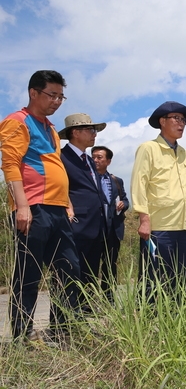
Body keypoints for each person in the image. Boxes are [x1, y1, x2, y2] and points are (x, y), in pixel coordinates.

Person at [0, 70, 81, 341]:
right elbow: (10, 165)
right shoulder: (17, 121)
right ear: (33, 93)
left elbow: (56, 167)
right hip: (34, 208)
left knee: (69, 270)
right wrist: (22, 207)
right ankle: (22, 338)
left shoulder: (51, 129)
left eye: (61, 96)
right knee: (28, 276)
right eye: (52, 95)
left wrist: (67, 204)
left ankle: (59, 332)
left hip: (58, 210)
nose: (57, 101)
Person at [131, 101, 186, 296]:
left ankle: (174, 322)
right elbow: (139, 183)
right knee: (154, 278)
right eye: (176, 118)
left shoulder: (185, 153)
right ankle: (149, 323)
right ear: (162, 121)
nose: (181, 123)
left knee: (179, 279)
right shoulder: (148, 148)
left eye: (183, 120)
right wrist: (144, 219)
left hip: (183, 226)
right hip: (159, 225)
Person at [59, 113, 108, 311]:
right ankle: (67, 317)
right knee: (71, 272)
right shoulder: (62, 157)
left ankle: (85, 313)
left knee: (90, 272)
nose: (94, 134)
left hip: (96, 225)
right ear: (75, 132)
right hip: (76, 224)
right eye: (90, 130)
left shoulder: (88, 160)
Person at [91, 145, 130, 303]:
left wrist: (123, 204)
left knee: (110, 264)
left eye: (99, 157)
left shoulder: (116, 181)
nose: (95, 160)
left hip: (113, 229)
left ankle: (108, 298)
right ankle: (88, 301)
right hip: (93, 228)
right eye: (93, 157)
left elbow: (125, 199)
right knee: (91, 265)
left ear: (108, 161)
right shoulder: (88, 178)